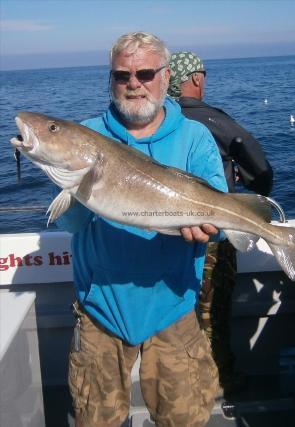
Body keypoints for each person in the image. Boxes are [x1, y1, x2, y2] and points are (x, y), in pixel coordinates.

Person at [55, 33, 228, 427]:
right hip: (101, 309)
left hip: (174, 305)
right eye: (122, 75)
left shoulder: (194, 137)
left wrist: (209, 229)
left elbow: (217, 218)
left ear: (166, 77)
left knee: (183, 420)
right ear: (110, 79)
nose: (134, 83)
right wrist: (79, 182)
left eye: (145, 73)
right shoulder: (84, 135)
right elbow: (70, 223)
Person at [168, 51, 274, 402]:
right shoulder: (208, 119)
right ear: (196, 79)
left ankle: (178, 383)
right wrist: (259, 186)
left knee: (176, 311)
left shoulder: (160, 121)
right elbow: (256, 163)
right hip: (213, 231)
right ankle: (218, 381)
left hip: (166, 231)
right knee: (213, 311)